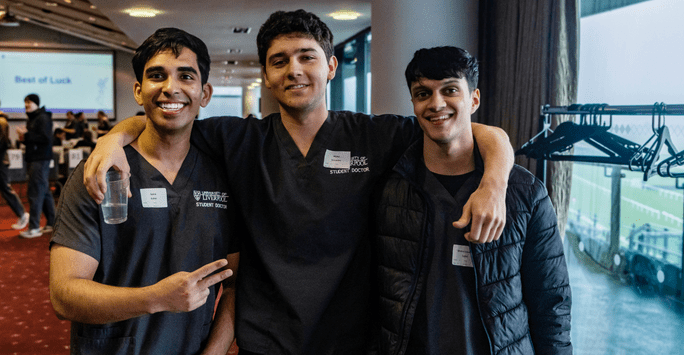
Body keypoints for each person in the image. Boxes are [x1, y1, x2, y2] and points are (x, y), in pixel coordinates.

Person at [84, 10, 513, 355]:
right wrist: (111, 139)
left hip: (353, 337)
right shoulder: (240, 140)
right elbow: (168, 116)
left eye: (307, 57)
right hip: (267, 337)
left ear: (330, 66)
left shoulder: (374, 136)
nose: (294, 70)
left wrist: (494, 182)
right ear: (267, 76)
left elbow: (479, 131)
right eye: (279, 61)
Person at [49, 28, 243, 355]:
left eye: (186, 76)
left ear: (204, 93)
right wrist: (155, 298)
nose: (171, 88)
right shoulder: (98, 172)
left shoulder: (224, 177)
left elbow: (235, 284)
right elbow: (64, 295)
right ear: (138, 91)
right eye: (157, 76)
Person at [373, 46, 572, 355]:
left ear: (474, 99)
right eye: (423, 93)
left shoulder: (525, 193)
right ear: (413, 103)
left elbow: (552, 302)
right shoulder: (390, 188)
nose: (436, 103)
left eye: (450, 90)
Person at [16, 94, 55, 238]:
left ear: (36, 104)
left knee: (36, 192)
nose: (26, 105)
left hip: (40, 158)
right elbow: (35, 139)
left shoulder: (42, 118)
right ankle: (52, 223)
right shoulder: (33, 118)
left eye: (29, 102)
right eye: (25, 103)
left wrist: (26, 135)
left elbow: (45, 139)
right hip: (35, 157)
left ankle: (34, 227)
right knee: (43, 191)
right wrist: (24, 138)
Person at [0, 106, 29, 230]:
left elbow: (3, 142)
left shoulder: (2, 121)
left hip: (1, 160)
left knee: (6, 188)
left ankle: (22, 214)